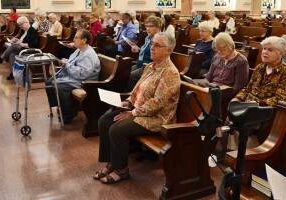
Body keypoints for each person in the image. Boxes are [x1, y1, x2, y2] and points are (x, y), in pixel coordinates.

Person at [93, 32, 180, 184]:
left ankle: (121, 170)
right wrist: (128, 102)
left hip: (157, 118)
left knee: (117, 129)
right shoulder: (150, 67)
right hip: (139, 110)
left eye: (157, 45)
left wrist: (133, 112)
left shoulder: (170, 73)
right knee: (104, 120)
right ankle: (112, 163)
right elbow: (137, 89)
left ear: (169, 50)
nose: (152, 48)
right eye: (152, 44)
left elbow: (157, 103)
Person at [45, 29, 101, 124]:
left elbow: (82, 74)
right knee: (49, 82)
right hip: (76, 78)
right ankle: (60, 107)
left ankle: (68, 114)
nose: (73, 39)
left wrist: (67, 65)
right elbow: (73, 63)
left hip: (86, 82)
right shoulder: (79, 50)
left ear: (83, 40)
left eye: (76, 37)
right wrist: (65, 62)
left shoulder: (88, 55)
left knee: (59, 86)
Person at [233, 36, 286, 106]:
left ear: (280, 53)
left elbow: (279, 98)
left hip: (265, 110)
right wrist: (237, 98)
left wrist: (258, 104)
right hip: (247, 105)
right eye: (264, 48)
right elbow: (248, 89)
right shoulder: (259, 67)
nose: (265, 52)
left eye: (270, 50)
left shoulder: (284, 71)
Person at [128, 16, 162, 89]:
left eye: (151, 26)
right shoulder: (148, 37)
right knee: (125, 72)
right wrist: (138, 49)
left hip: (148, 66)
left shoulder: (159, 39)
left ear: (158, 27)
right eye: (147, 26)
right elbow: (146, 51)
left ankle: (131, 96)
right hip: (140, 63)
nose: (147, 28)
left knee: (131, 76)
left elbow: (157, 57)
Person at [1, 16, 38, 80]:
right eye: (19, 25)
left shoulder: (32, 31)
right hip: (21, 48)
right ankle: (13, 74)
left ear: (26, 22)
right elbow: (21, 40)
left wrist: (20, 43)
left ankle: (1, 58)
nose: (20, 27)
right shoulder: (24, 31)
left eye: (21, 25)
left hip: (28, 50)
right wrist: (16, 40)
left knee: (13, 46)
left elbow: (33, 44)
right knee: (12, 55)